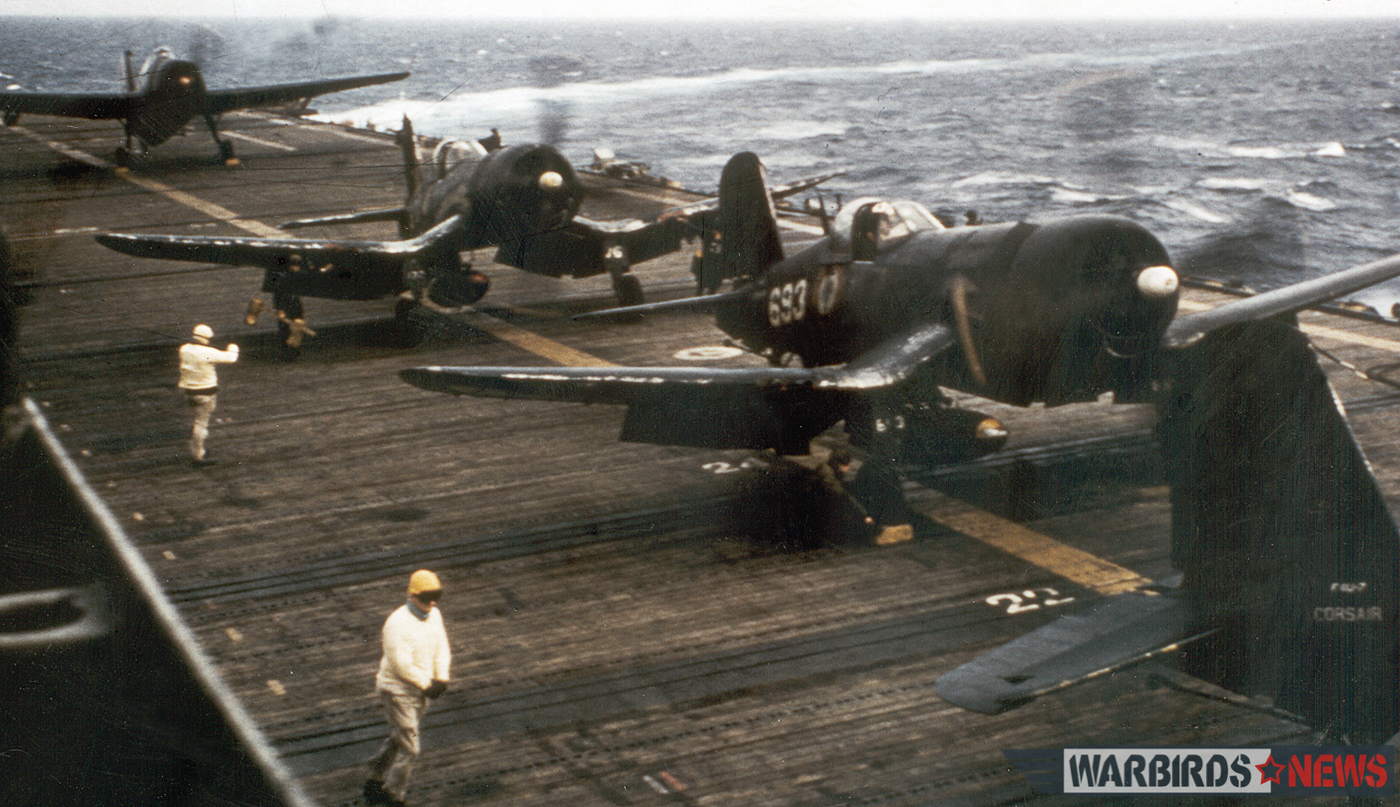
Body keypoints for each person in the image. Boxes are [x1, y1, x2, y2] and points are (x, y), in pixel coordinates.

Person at [365, 570, 451, 807]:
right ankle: (394, 795)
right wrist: (427, 683)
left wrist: (441, 677)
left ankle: (374, 774)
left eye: (435, 597)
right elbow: (400, 664)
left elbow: (442, 647)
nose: (431, 603)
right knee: (411, 748)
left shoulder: (434, 616)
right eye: (426, 598)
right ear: (412, 596)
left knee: (400, 737)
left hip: (420, 691)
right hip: (396, 691)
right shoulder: (396, 623)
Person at [177, 324, 238, 466]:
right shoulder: (207, 352)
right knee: (201, 423)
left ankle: (198, 449)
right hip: (206, 392)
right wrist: (233, 345)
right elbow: (231, 358)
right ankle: (198, 455)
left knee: (198, 420)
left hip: (189, 390)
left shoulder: (184, 349)